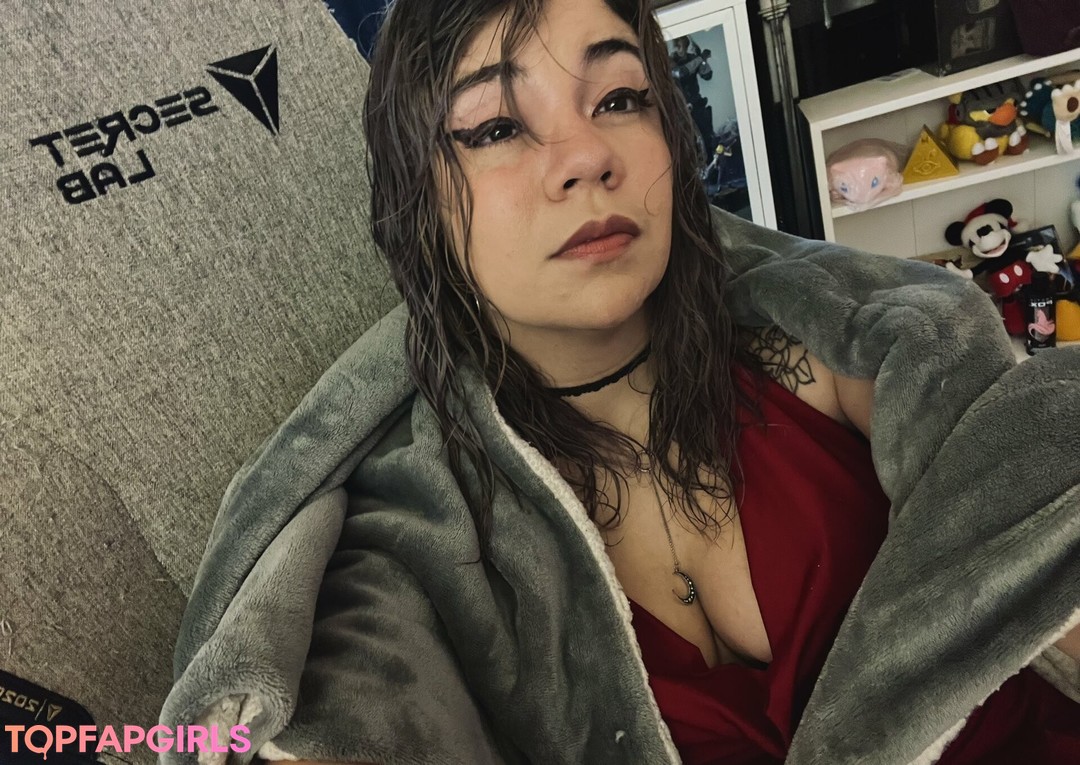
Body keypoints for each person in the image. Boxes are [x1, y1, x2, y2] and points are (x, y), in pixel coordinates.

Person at [164, 0, 1080, 762]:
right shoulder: (421, 529)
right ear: (420, 203)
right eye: (495, 127)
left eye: (619, 98)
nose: (587, 156)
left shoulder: (843, 357)